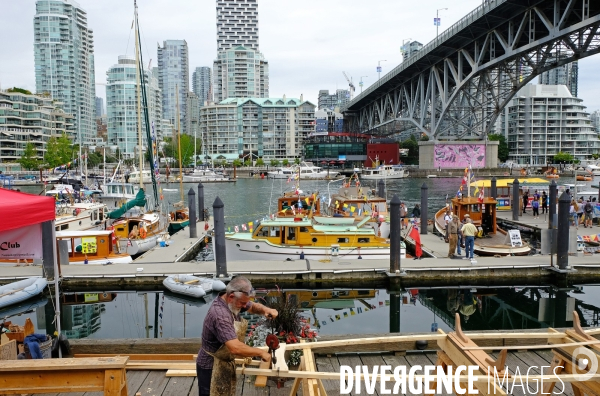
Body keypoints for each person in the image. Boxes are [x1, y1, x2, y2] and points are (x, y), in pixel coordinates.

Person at [196, 276, 278, 396]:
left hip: (224, 361)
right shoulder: (220, 315)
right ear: (231, 297)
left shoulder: (235, 301)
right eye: (243, 303)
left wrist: (266, 310)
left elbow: (252, 306)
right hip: (211, 366)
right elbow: (235, 348)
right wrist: (261, 353)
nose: (245, 306)